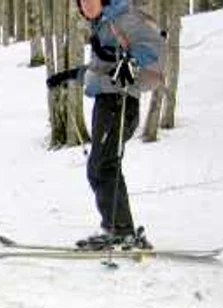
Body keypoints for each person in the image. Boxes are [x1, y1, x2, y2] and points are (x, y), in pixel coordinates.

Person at [46, 0, 165, 249]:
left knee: (103, 165)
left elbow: (152, 52)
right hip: (107, 104)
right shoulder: (104, 25)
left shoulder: (124, 18)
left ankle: (121, 230)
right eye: (82, 2)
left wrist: (125, 68)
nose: (86, 6)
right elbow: (101, 67)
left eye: (91, 0)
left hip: (119, 103)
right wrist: (69, 76)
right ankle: (117, 227)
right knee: (99, 166)